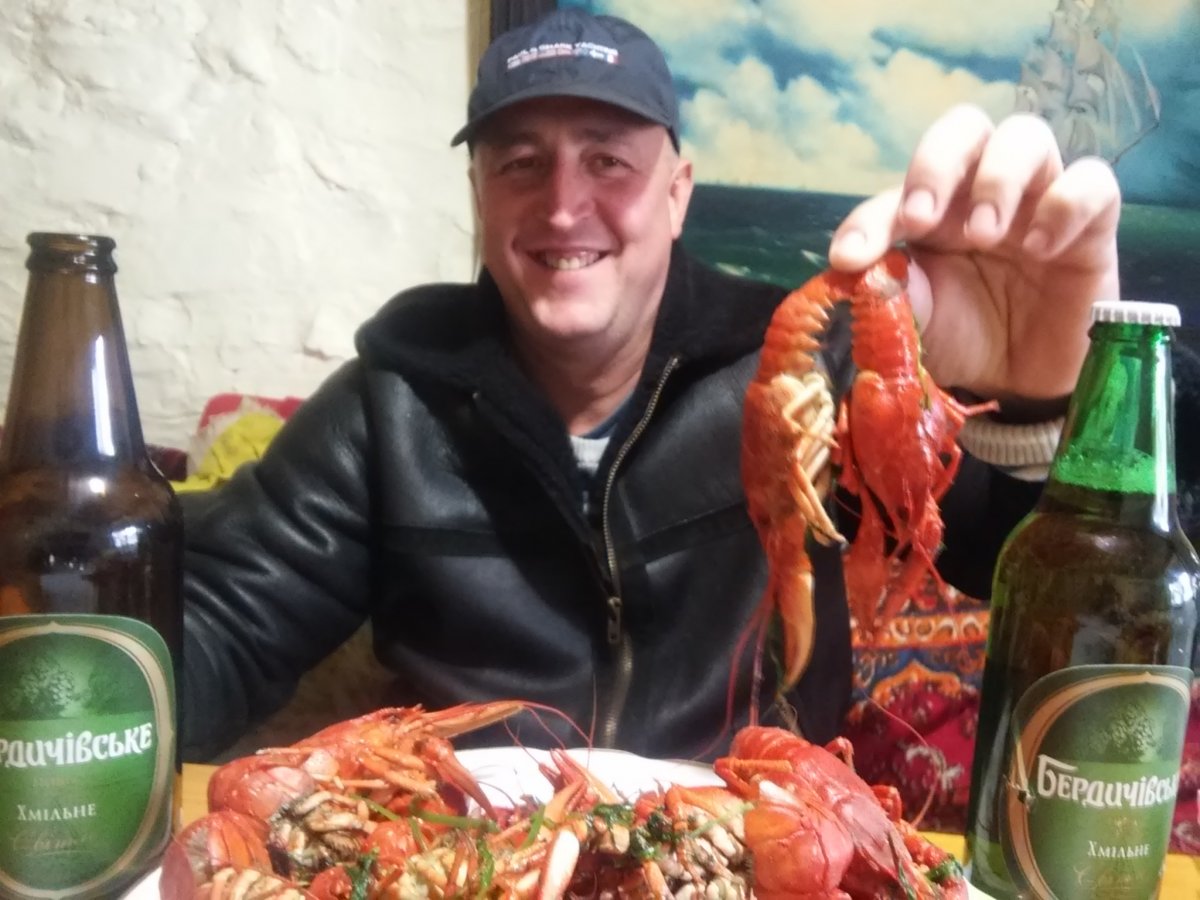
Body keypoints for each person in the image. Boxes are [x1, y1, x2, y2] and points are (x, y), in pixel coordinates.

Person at [180, 7, 1129, 762]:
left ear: (678, 195)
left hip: (757, 846)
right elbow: (216, 625)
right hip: (473, 856)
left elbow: (1064, 579)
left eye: (607, 159)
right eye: (520, 163)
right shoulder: (391, 398)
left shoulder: (812, 370)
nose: (562, 206)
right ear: (479, 198)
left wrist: (1051, 407)